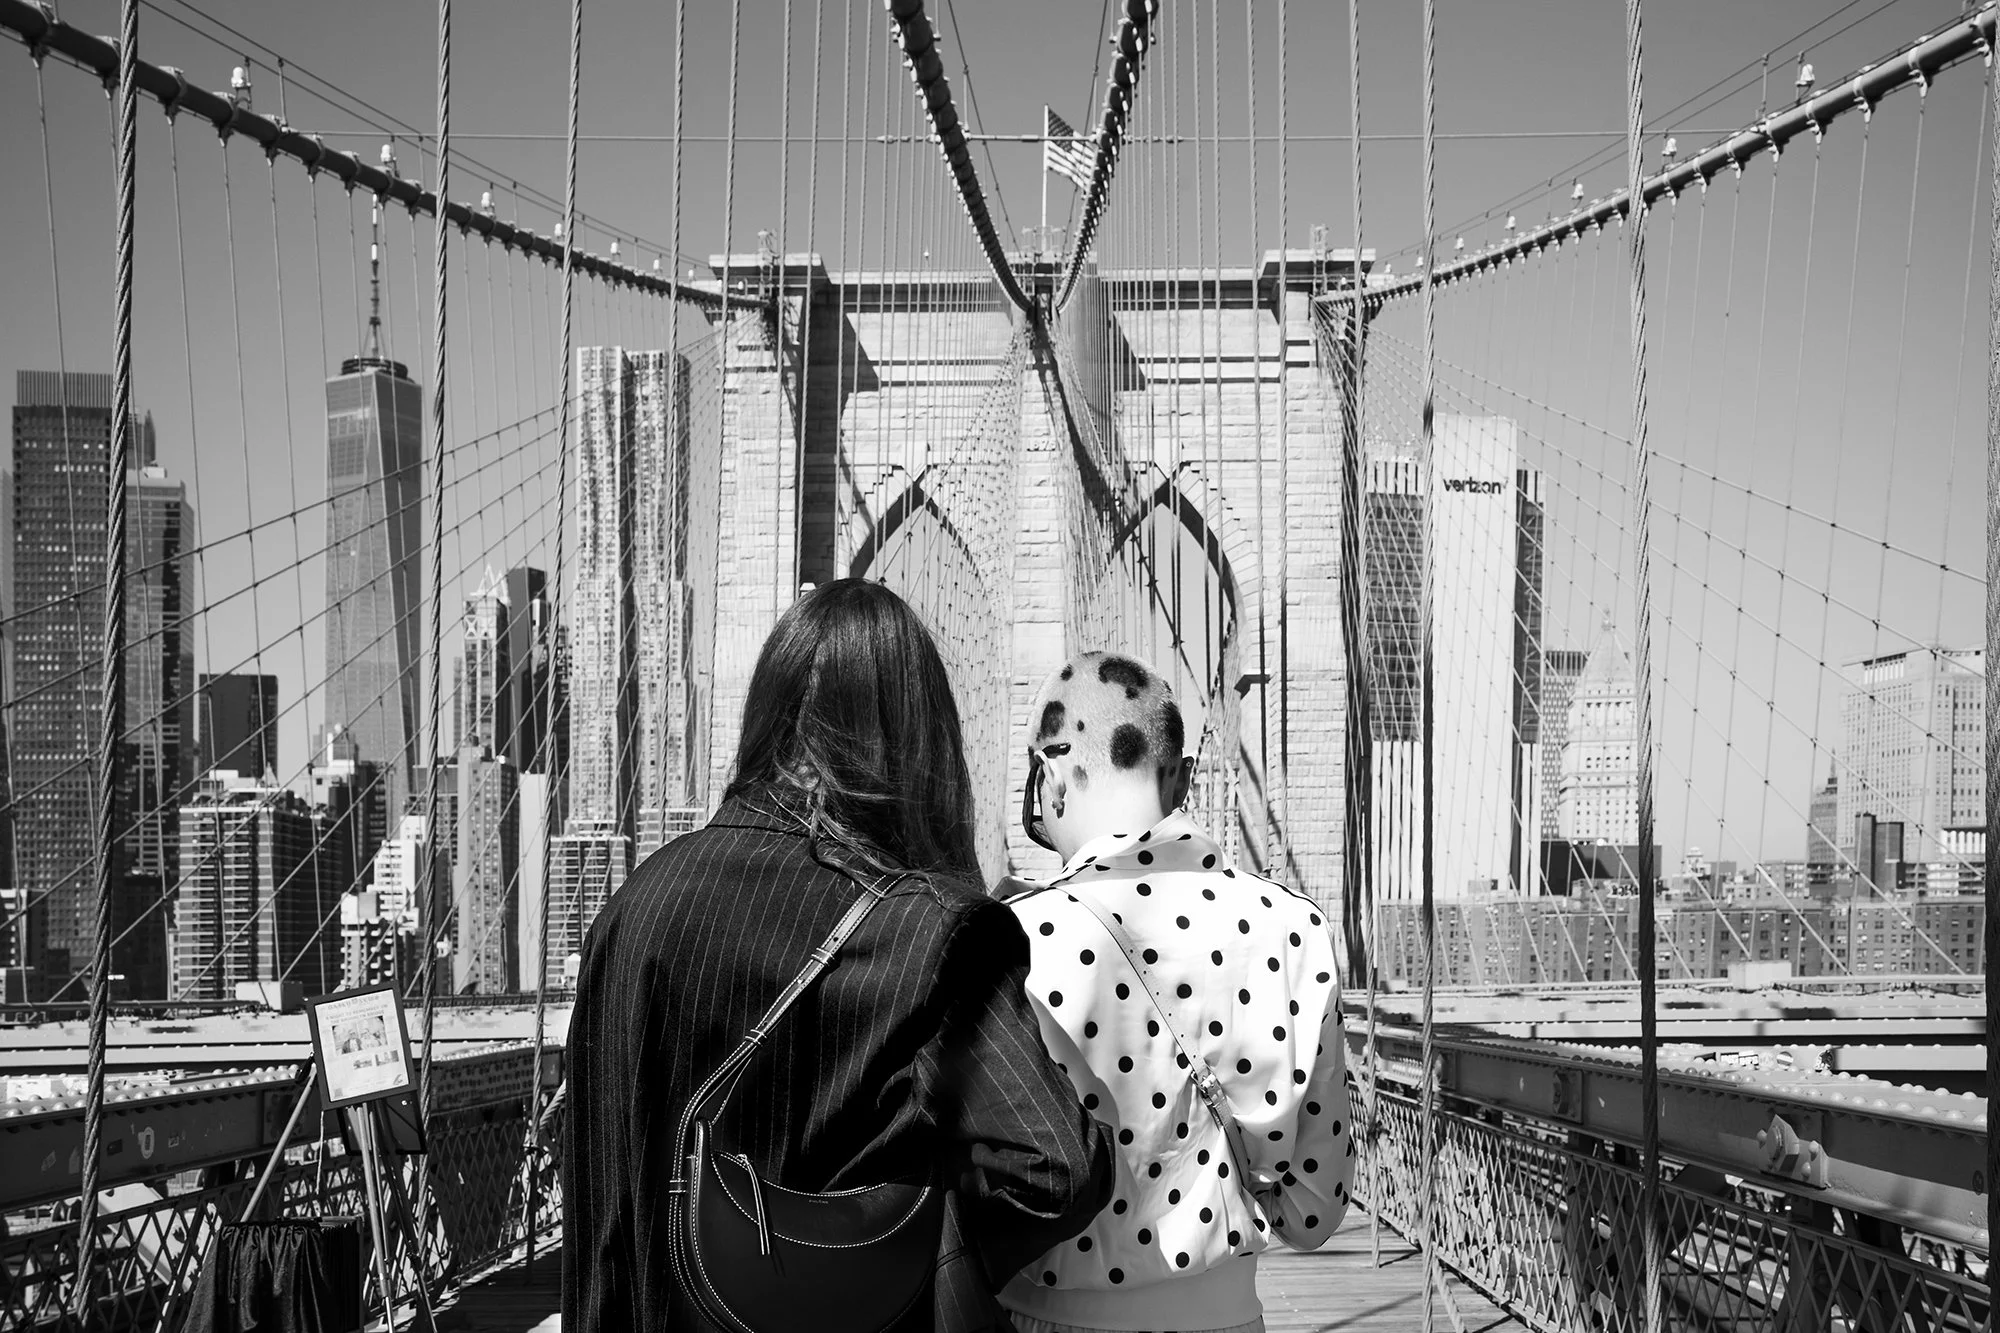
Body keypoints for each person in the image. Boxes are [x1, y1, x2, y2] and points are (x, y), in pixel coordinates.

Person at [563, 580, 1115, 1332]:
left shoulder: (632, 911)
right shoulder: (935, 935)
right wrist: (918, 1214)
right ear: (921, 740)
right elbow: (1058, 1171)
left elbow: (599, 1220)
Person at [999, 652, 1356, 1333]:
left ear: (1049, 778)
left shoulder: (1014, 937)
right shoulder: (1291, 927)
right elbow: (1314, 1213)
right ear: (1184, 776)